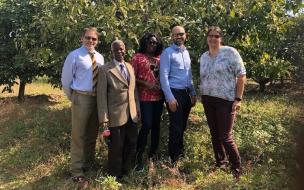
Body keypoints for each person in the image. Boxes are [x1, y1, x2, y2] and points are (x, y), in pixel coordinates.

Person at [199, 26, 246, 180]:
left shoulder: (230, 53)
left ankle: (237, 168)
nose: (213, 38)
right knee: (214, 133)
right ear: (207, 38)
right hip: (208, 99)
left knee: (225, 136)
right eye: (210, 36)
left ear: (221, 38)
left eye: (216, 36)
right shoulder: (204, 56)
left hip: (225, 100)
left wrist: (238, 99)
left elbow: (241, 75)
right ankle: (221, 163)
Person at [61, 27, 104, 185]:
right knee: (78, 135)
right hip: (81, 97)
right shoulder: (74, 55)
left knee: (92, 134)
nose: (90, 41)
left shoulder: (100, 58)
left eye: (94, 39)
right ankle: (77, 170)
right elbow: (66, 80)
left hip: (96, 99)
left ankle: (88, 164)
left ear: (97, 41)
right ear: (82, 38)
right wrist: (73, 97)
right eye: (88, 38)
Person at [97, 40, 140, 179]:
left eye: (121, 49)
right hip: (115, 115)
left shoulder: (129, 66)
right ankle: (115, 175)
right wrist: (104, 119)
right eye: (116, 50)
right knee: (116, 147)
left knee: (131, 144)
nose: (119, 52)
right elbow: (101, 96)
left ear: (125, 49)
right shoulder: (105, 69)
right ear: (112, 52)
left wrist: (138, 109)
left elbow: (134, 90)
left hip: (132, 114)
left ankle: (127, 171)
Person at [160, 26, 197, 165]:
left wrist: (193, 92)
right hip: (174, 92)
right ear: (171, 37)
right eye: (175, 35)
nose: (178, 37)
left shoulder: (186, 52)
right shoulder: (167, 53)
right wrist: (170, 98)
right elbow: (163, 77)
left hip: (186, 93)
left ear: (185, 35)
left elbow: (189, 74)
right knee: (175, 126)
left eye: (181, 34)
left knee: (182, 125)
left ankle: (180, 152)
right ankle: (173, 158)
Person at [130, 33, 164, 171]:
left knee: (156, 126)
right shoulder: (138, 57)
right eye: (150, 42)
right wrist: (146, 84)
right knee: (146, 125)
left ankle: (152, 155)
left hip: (159, 98)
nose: (152, 45)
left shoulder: (160, 58)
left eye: (155, 43)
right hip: (145, 98)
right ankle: (138, 156)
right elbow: (131, 77)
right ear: (145, 43)